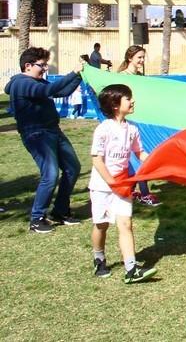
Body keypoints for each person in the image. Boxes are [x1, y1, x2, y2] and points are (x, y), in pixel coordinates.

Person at [5, 47, 84, 233]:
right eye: (42, 65)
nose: (45, 69)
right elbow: (51, 89)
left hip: (53, 130)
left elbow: (60, 92)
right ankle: (36, 219)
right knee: (50, 174)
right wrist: (74, 72)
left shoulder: (36, 82)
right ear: (28, 65)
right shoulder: (21, 83)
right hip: (36, 134)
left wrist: (80, 76)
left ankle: (60, 212)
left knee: (73, 168)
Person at [89, 84, 158, 283]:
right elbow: (97, 159)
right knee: (101, 225)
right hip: (102, 185)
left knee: (126, 224)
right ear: (115, 105)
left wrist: (157, 162)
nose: (132, 101)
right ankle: (99, 258)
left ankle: (131, 269)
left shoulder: (133, 129)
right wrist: (110, 181)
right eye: (128, 98)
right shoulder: (103, 129)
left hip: (123, 184)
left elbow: (140, 153)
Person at [116, 45, 160, 207]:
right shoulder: (122, 77)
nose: (142, 61)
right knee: (136, 156)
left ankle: (132, 188)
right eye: (139, 58)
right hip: (129, 121)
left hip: (140, 121)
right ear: (130, 58)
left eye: (143, 57)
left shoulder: (140, 77)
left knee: (136, 155)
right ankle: (144, 192)